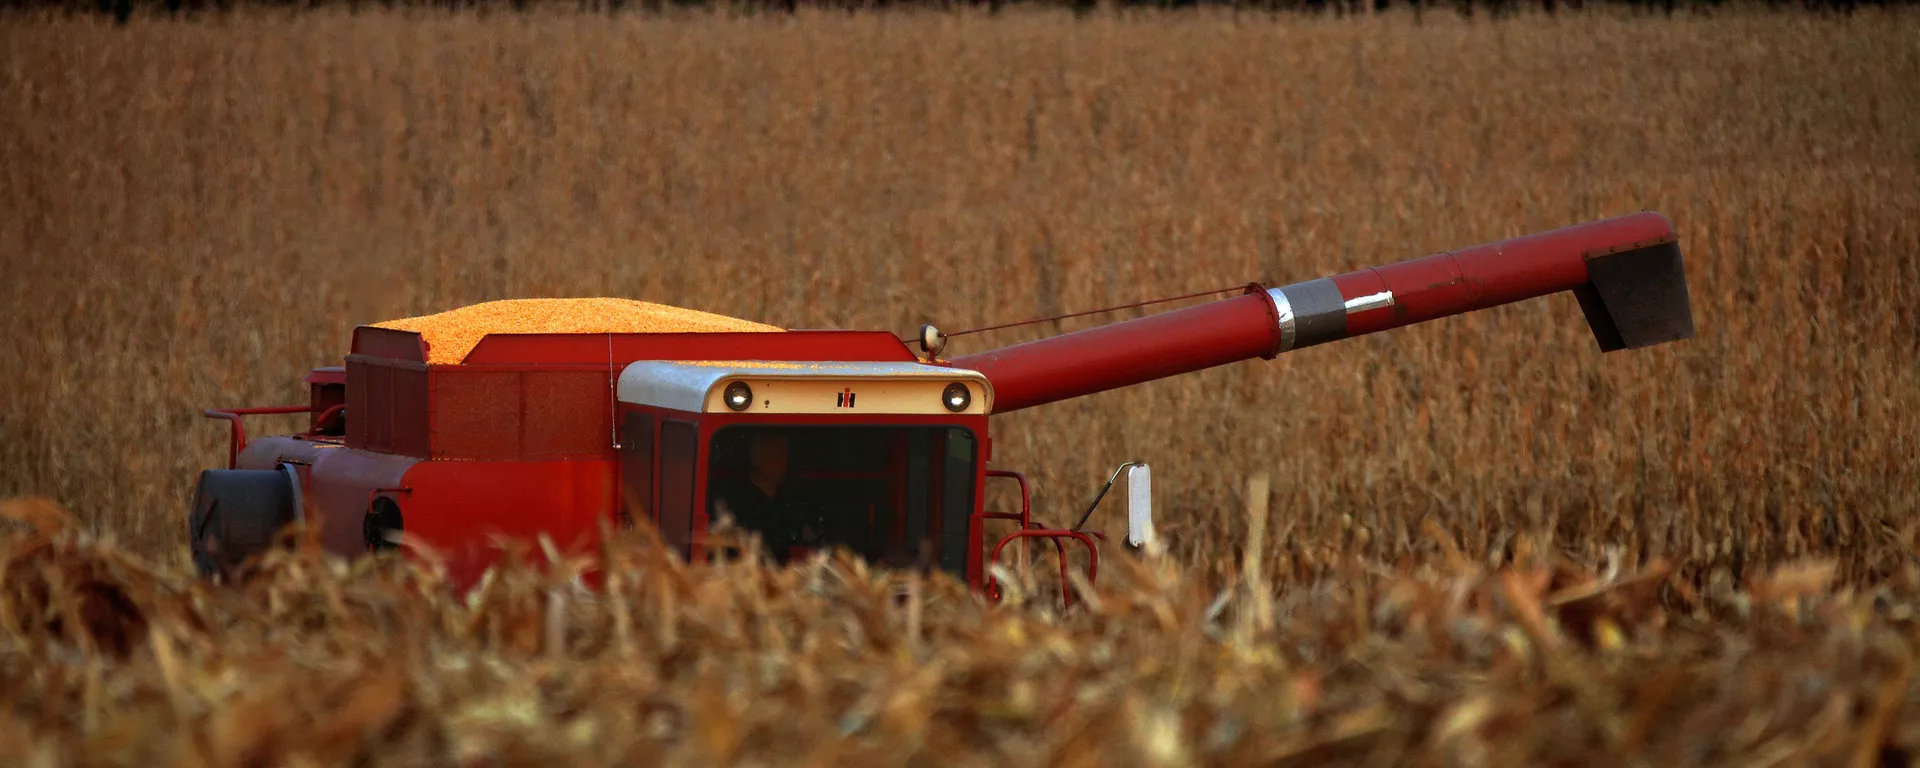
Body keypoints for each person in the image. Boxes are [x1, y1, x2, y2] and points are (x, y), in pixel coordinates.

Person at [709, 433, 813, 555]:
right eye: (776, 458)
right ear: (755, 459)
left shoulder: (787, 499)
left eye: (785, 459)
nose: (783, 465)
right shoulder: (735, 501)